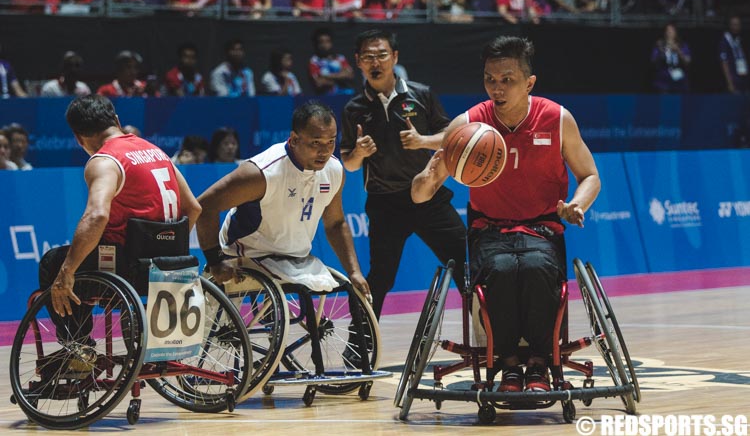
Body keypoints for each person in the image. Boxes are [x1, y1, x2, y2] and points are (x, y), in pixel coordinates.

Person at [411, 36, 600, 393]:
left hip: (541, 229)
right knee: (499, 271)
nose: (496, 88)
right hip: (490, 231)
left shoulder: (557, 118)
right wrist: (428, 173)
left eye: (507, 80)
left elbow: (590, 176)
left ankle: (541, 364)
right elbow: (420, 195)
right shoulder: (468, 125)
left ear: (529, 83)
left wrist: (577, 204)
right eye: (489, 79)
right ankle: (509, 364)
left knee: (536, 269)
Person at [39, 94, 201, 335]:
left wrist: (67, 271)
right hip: (172, 263)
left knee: (53, 262)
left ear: (78, 137)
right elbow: (194, 208)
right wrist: (168, 245)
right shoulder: (156, 151)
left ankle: (78, 349)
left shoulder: (105, 160)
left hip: (126, 266)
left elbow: (96, 216)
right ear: (116, 119)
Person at [340, 29, 466, 320]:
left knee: (465, 264)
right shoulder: (353, 109)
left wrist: (423, 140)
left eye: (382, 54)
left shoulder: (421, 94)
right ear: (358, 61)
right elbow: (349, 163)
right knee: (380, 278)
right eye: (369, 56)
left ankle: (490, 340)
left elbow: (450, 134)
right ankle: (361, 349)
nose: (376, 61)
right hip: (385, 204)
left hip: (429, 197)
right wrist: (359, 152)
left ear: (394, 57)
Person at [195, 102, 370, 300]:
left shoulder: (334, 170)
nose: (325, 151)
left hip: (293, 258)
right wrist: (216, 261)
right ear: (294, 139)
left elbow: (336, 224)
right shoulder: (261, 173)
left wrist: (354, 271)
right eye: (316, 143)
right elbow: (204, 206)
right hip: (248, 254)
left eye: (330, 142)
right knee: (211, 329)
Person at [308, 27, 355, 96]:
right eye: (321, 42)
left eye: (327, 41)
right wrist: (340, 77)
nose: (324, 45)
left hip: (346, 96)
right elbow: (319, 83)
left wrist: (326, 76)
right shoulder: (314, 61)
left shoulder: (340, 58)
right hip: (326, 98)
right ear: (316, 44)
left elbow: (350, 75)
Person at [651, 23, 691, 94]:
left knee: (679, 101)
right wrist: (661, 51)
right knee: (665, 101)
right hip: (663, 78)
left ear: (676, 32)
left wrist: (678, 51)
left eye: (672, 30)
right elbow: (653, 61)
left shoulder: (682, 45)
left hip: (679, 78)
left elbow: (687, 61)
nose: (669, 32)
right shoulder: (660, 45)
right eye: (668, 30)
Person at [719, 14, 749, 95]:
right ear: (730, 26)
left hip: (743, 79)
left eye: (738, 25)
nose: (736, 27)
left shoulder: (739, 39)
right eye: (734, 25)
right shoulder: (725, 40)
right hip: (734, 81)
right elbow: (724, 63)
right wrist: (730, 83)